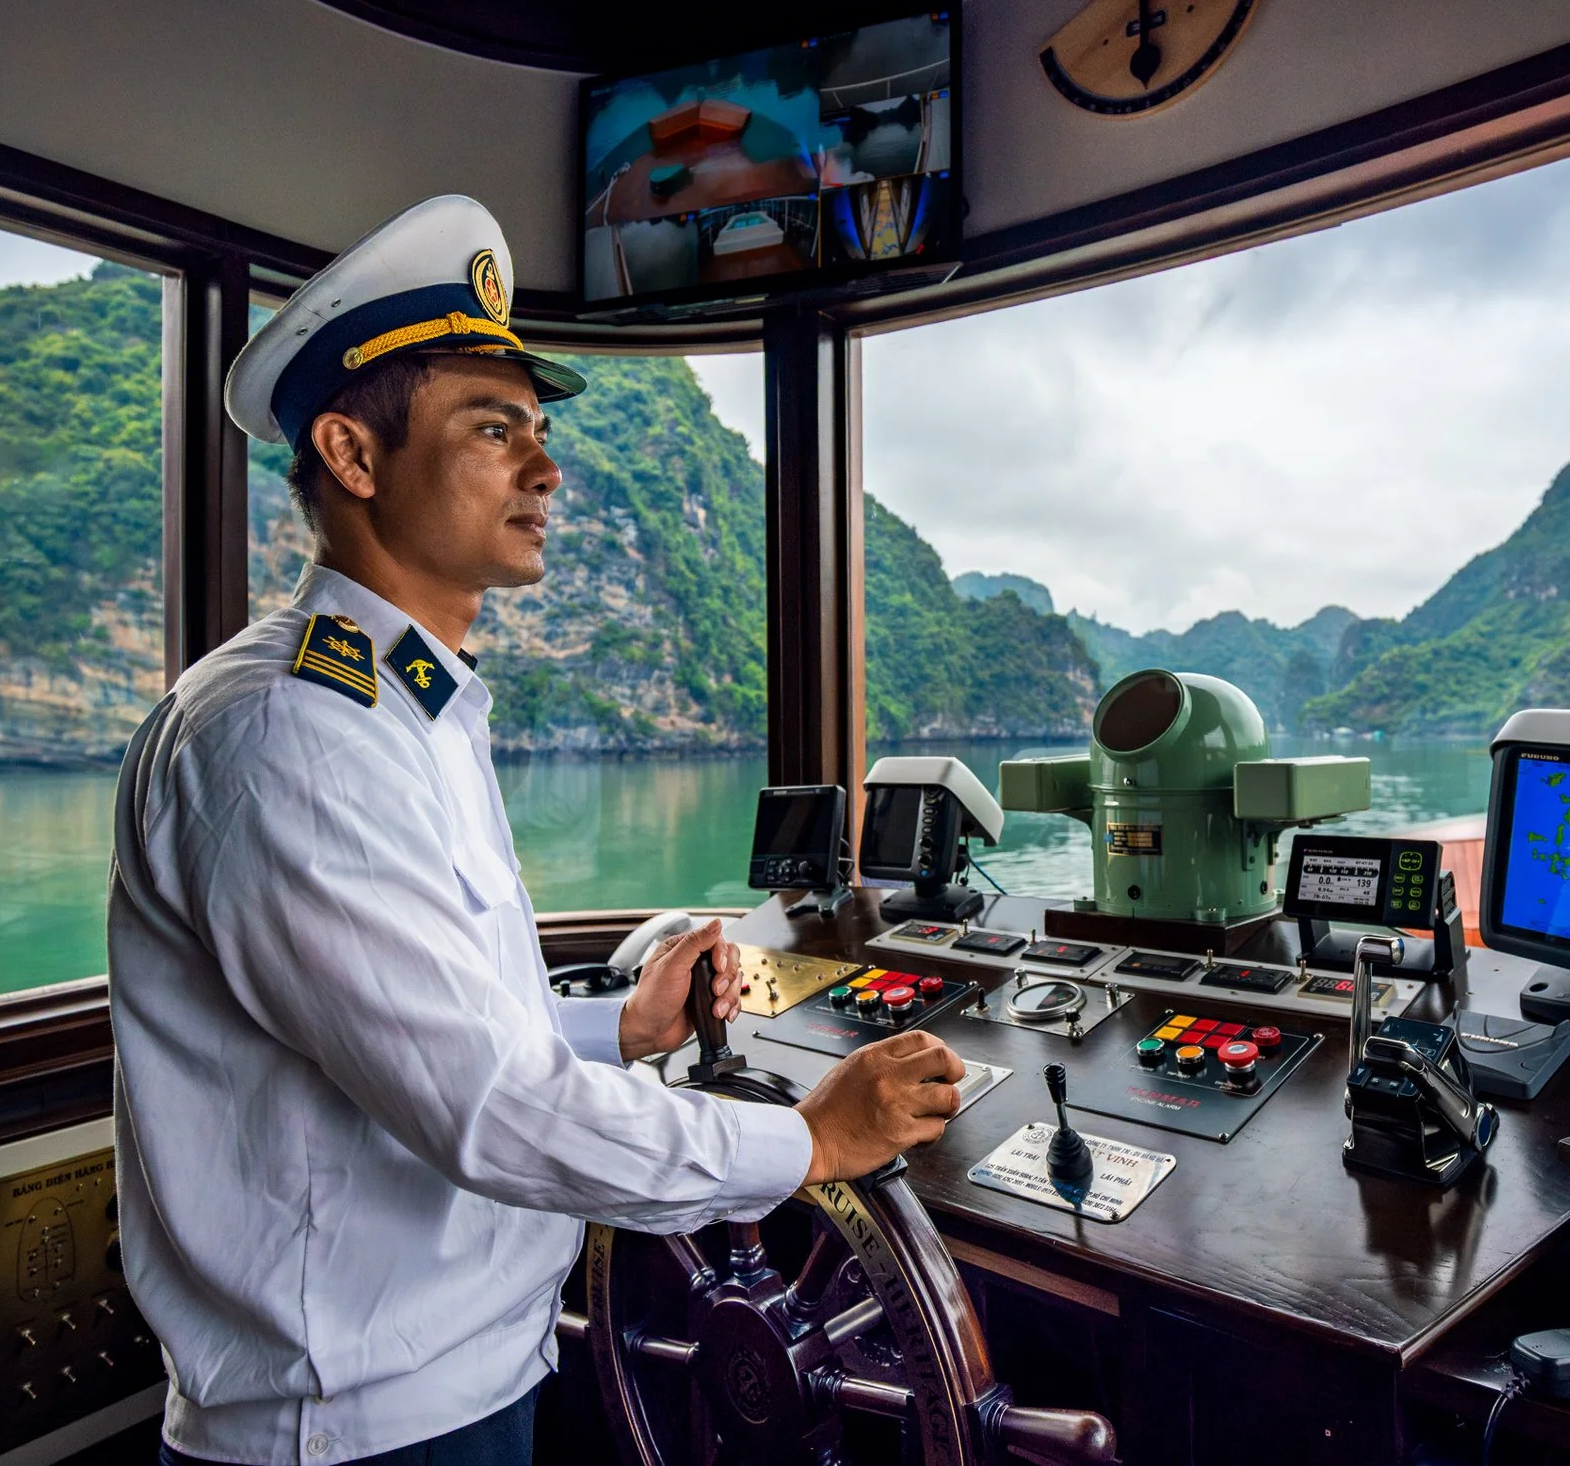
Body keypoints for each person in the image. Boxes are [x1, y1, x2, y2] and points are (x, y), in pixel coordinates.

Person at [107, 194, 963, 1466]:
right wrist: (811, 1138)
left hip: (461, 1371)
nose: (547, 469)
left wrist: (617, 1027)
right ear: (351, 453)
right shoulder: (292, 730)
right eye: (494, 428)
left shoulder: (407, 705)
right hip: (358, 1425)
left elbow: (419, 1025)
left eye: (540, 432)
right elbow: (490, 1105)